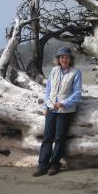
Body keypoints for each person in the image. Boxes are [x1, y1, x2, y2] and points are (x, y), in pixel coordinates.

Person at [33, 46, 82, 177]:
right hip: (51, 109)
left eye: (66, 57)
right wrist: (46, 106)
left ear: (70, 59)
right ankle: (42, 165)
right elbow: (48, 89)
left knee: (59, 138)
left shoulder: (75, 73)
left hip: (65, 110)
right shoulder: (54, 70)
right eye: (62, 57)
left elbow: (77, 94)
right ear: (58, 59)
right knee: (47, 137)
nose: (64, 59)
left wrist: (63, 103)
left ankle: (55, 164)